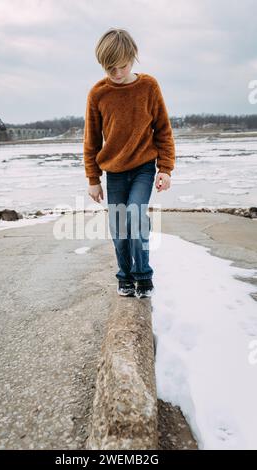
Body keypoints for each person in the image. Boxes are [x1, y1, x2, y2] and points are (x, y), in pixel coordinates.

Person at [83, 28, 175, 298]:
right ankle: (124, 277)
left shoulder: (149, 86)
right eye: (110, 69)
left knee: (135, 215)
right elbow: (91, 141)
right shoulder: (98, 94)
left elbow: (163, 131)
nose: (118, 73)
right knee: (119, 226)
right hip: (114, 173)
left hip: (144, 169)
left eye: (122, 66)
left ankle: (143, 276)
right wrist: (93, 179)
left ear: (132, 58)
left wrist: (166, 169)